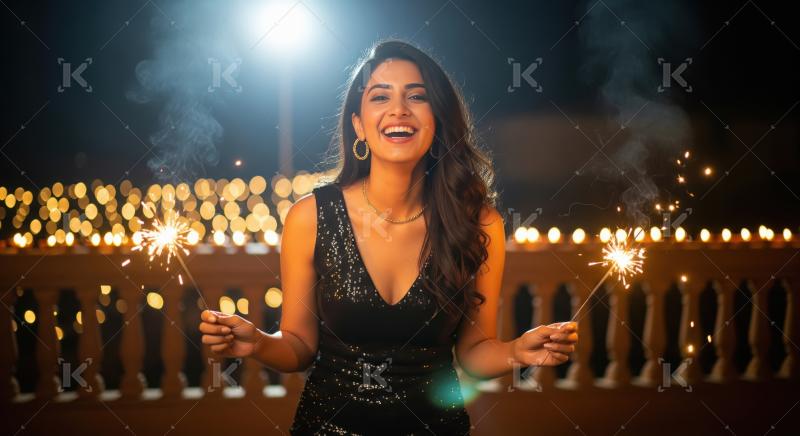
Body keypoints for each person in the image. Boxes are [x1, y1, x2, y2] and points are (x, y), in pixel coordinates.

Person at [198, 39, 578, 435]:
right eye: (380, 97)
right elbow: (298, 346)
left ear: (438, 119)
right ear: (359, 124)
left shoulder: (479, 223)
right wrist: (258, 342)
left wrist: (517, 351)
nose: (399, 109)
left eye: (417, 96)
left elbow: (473, 353)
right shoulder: (309, 218)